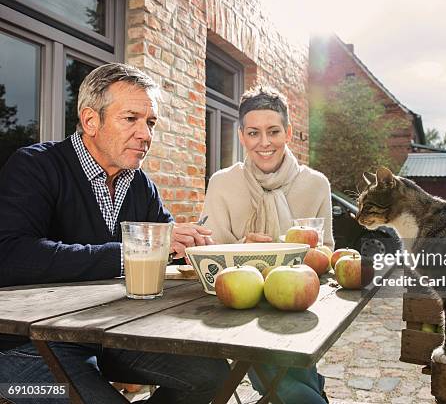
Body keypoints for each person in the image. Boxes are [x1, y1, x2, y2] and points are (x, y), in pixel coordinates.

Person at [0, 63, 228, 403]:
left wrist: (191, 249)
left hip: (108, 334)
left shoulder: (140, 185)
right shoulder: (35, 165)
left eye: (150, 122)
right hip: (24, 346)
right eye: (131, 119)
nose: (145, 134)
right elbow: (11, 255)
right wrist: (131, 253)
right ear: (91, 120)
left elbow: (166, 248)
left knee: (212, 375)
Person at [203, 85, 333, 403]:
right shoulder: (221, 183)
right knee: (294, 382)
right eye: (254, 133)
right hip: (236, 309)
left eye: (273, 131)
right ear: (241, 136)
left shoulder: (316, 184)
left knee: (290, 375)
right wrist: (243, 248)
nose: (264, 143)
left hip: (294, 308)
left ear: (288, 132)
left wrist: (302, 253)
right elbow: (207, 255)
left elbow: (327, 251)